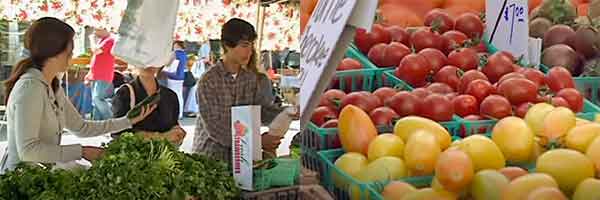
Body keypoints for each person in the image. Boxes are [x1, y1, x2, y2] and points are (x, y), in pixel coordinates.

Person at [0, 17, 155, 174]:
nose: (72, 55)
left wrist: (128, 121)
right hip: (20, 178)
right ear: (55, 52)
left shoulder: (52, 85)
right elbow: (28, 151)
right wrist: (81, 151)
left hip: (43, 172)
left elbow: (81, 127)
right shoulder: (30, 88)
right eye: (70, 50)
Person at [192, 18, 295, 164]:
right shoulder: (208, 81)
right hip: (211, 158)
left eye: (251, 45)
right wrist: (258, 142)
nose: (250, 51)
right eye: (244, 45)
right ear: (227, 45)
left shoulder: (250, 79)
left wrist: (289, 112)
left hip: (244, 159)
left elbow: (263, 112)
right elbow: (217, 129)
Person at [111, 66, 186, 146]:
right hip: (135, 157)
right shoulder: (124, 94)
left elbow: (174, 128)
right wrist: (161, 137)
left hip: (164, 155)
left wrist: (178, 135)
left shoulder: (170, 96)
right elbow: (118, 134)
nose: (149, 64)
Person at [85, 27, 116, 120]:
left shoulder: (110, 40)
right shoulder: (102, 40)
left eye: (96, 30)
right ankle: (96, 124)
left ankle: (111, 121)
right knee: (95, 102)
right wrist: (89, 74)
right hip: (96, 75)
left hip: (104, 75)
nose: (94, 32)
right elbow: (96, 58)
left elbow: (96, 51)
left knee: (97, 98)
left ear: (104, 30)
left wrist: (91, 39)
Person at [183, 40, 211, 117]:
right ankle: (194, 109)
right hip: (199, 67)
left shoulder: (205, 46)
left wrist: (198, 60)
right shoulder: (204, 46)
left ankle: (194, 109)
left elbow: (207, 59)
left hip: (199, 68)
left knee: (195, 89)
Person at [164, 41, 187, 119]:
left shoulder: (174, 53)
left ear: (177, 45)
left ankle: (172, 113)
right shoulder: (184, 54)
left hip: (172, 76)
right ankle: (180, 113)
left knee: (171, 95)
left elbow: (167, 63)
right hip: (181, 77)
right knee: (179, 95)